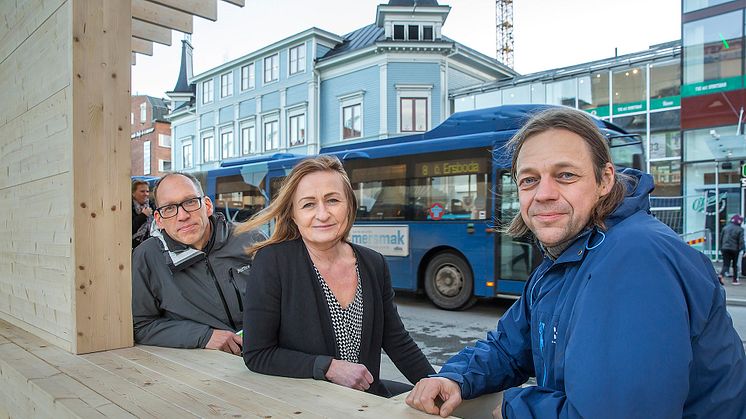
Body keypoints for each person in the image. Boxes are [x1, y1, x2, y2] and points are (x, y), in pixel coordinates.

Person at [405, 108, 746, 418]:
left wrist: (512, 407)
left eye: (565, 175)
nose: (544, 193)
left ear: (604, 180)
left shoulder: (637, 256)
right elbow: (509, 347)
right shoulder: (565, 257)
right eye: (529, 180)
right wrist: (455, 377)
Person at [237, 155, 434, 398]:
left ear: (349, 206)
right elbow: (257, 354)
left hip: (364, 402)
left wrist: (435, 383)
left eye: (332, 200)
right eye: (308, 204)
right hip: (303, 405)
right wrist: (327, 367)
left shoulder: (374, 263)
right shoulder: (273, 262)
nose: (322, 214)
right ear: (293, 215)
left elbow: (396, 340)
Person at [132, 172, 264, 355]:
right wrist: (203, 336)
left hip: (269, 353)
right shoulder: (146, 257)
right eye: (169, 208)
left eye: (190, 202)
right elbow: (141, 325)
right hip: (203, 368)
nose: (183, 215)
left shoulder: (251, 239)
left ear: (207, 205)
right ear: (159, 219)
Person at [719, 214, 744, 286]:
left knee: (726, 264)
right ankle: (735, 280)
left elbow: (721, 238)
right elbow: (741, 241)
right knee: (734, 265)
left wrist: (721, 248)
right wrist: (743, 249)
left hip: (725, 248)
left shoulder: (725, 228)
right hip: (735, 249)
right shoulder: (740, 229)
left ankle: (721, 275)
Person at [131, 180, 155, 249]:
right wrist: (143, 215)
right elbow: (129, 229)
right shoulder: (128, 207)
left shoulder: (152, 205)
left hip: (151, 243)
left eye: (147, 191)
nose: (146, 194)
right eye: (142, 191)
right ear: (133, 193)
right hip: (134, 245)